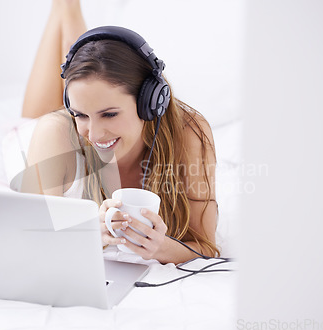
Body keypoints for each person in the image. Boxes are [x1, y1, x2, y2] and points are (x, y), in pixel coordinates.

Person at [22, 0, 219, 264]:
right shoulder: (53, 132)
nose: (93, 134)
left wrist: (161, 248)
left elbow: (206, 247)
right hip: (36, 139)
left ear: (149, 102)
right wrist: (88, 234)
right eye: (80, 114)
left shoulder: (190, 133)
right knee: (33, 115)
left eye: (110, 114)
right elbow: (30, 240)